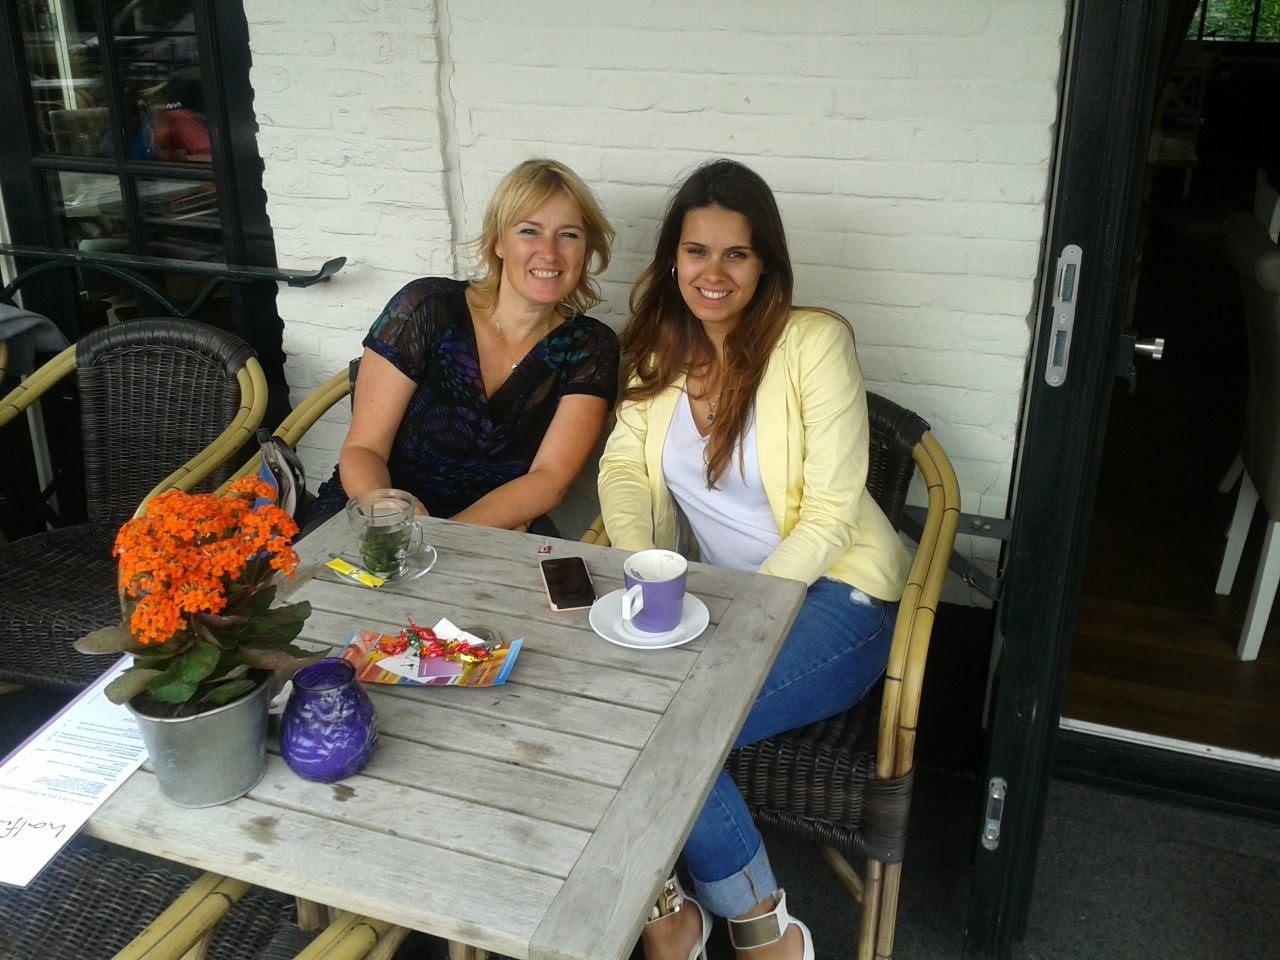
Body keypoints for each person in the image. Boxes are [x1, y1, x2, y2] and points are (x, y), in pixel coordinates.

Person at [597, 159, 911, 960]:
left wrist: (743, 617)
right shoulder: (660, 349)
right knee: (629, 708)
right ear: (674, 259)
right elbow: (624, 466)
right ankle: (672, 916)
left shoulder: (812, 344)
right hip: (724, 596)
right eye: (697, 251)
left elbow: (832, 512)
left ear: (765, 262)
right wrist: (647, 567)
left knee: (679, 727)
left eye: (736, 253)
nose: (715, 272)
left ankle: (760, 932)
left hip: (840, 599)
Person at [306, 158, 619, 532]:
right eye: (529, 231)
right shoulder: (427, 307)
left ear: (587, 248)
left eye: (568, 235)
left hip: (499, 527)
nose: (549, 252)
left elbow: (550, 479)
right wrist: (394, 520)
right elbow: (364, 449)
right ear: (499, 242)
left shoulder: (591, 347)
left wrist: (445, 539)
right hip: (379, 511)